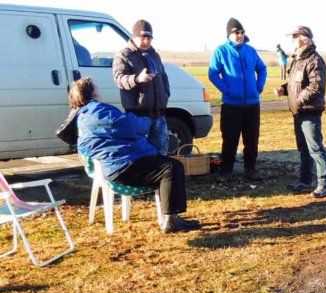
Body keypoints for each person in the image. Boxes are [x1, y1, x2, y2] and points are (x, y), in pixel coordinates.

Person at [67, 77, 200, 233]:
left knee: (168, 165)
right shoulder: (99, 111)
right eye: (96, 88)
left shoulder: (82, 115)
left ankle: (172, 217)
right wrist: (143, 121)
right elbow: (129, 126)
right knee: (171, 168)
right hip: (122, 167)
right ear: (92, 92)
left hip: (114, 163)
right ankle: (170, 220)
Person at [275, 26, 326, 199]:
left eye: (295, 36)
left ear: (305, 39)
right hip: (297, 112)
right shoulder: (297, 60)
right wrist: (284, 90)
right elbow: (296, 83)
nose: (292, 39)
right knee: (303, 149)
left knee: (315, 148)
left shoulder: (315, 60)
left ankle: (325, 184)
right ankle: (305, 180)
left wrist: (298, 100)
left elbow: (316, 87)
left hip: (309, 112)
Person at [208, 18, 267, 181]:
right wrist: (227, 89)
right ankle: (226, 171)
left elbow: (262, 69)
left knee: (252, 138)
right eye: (236, 33)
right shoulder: (221, 51)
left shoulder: (251, 51)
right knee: (230, 139)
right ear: (229, 34)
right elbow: (213, 74)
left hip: (252, 104)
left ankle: (251, 169)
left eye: (241, 32)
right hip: (231, 105)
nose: (239, 35)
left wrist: (259, 86)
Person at [112, 20, 170, 156]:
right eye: (142, 38)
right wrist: (137, 79)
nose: (146, 41)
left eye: (149, 38)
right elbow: (119, 79)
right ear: (133, 37)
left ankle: (161, 176)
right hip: (138, 116)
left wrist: (166, 94)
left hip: (159, 114)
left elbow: (164, 77)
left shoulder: (155, 55)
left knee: (161, 152)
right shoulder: (123, 55)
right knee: (139, 153)